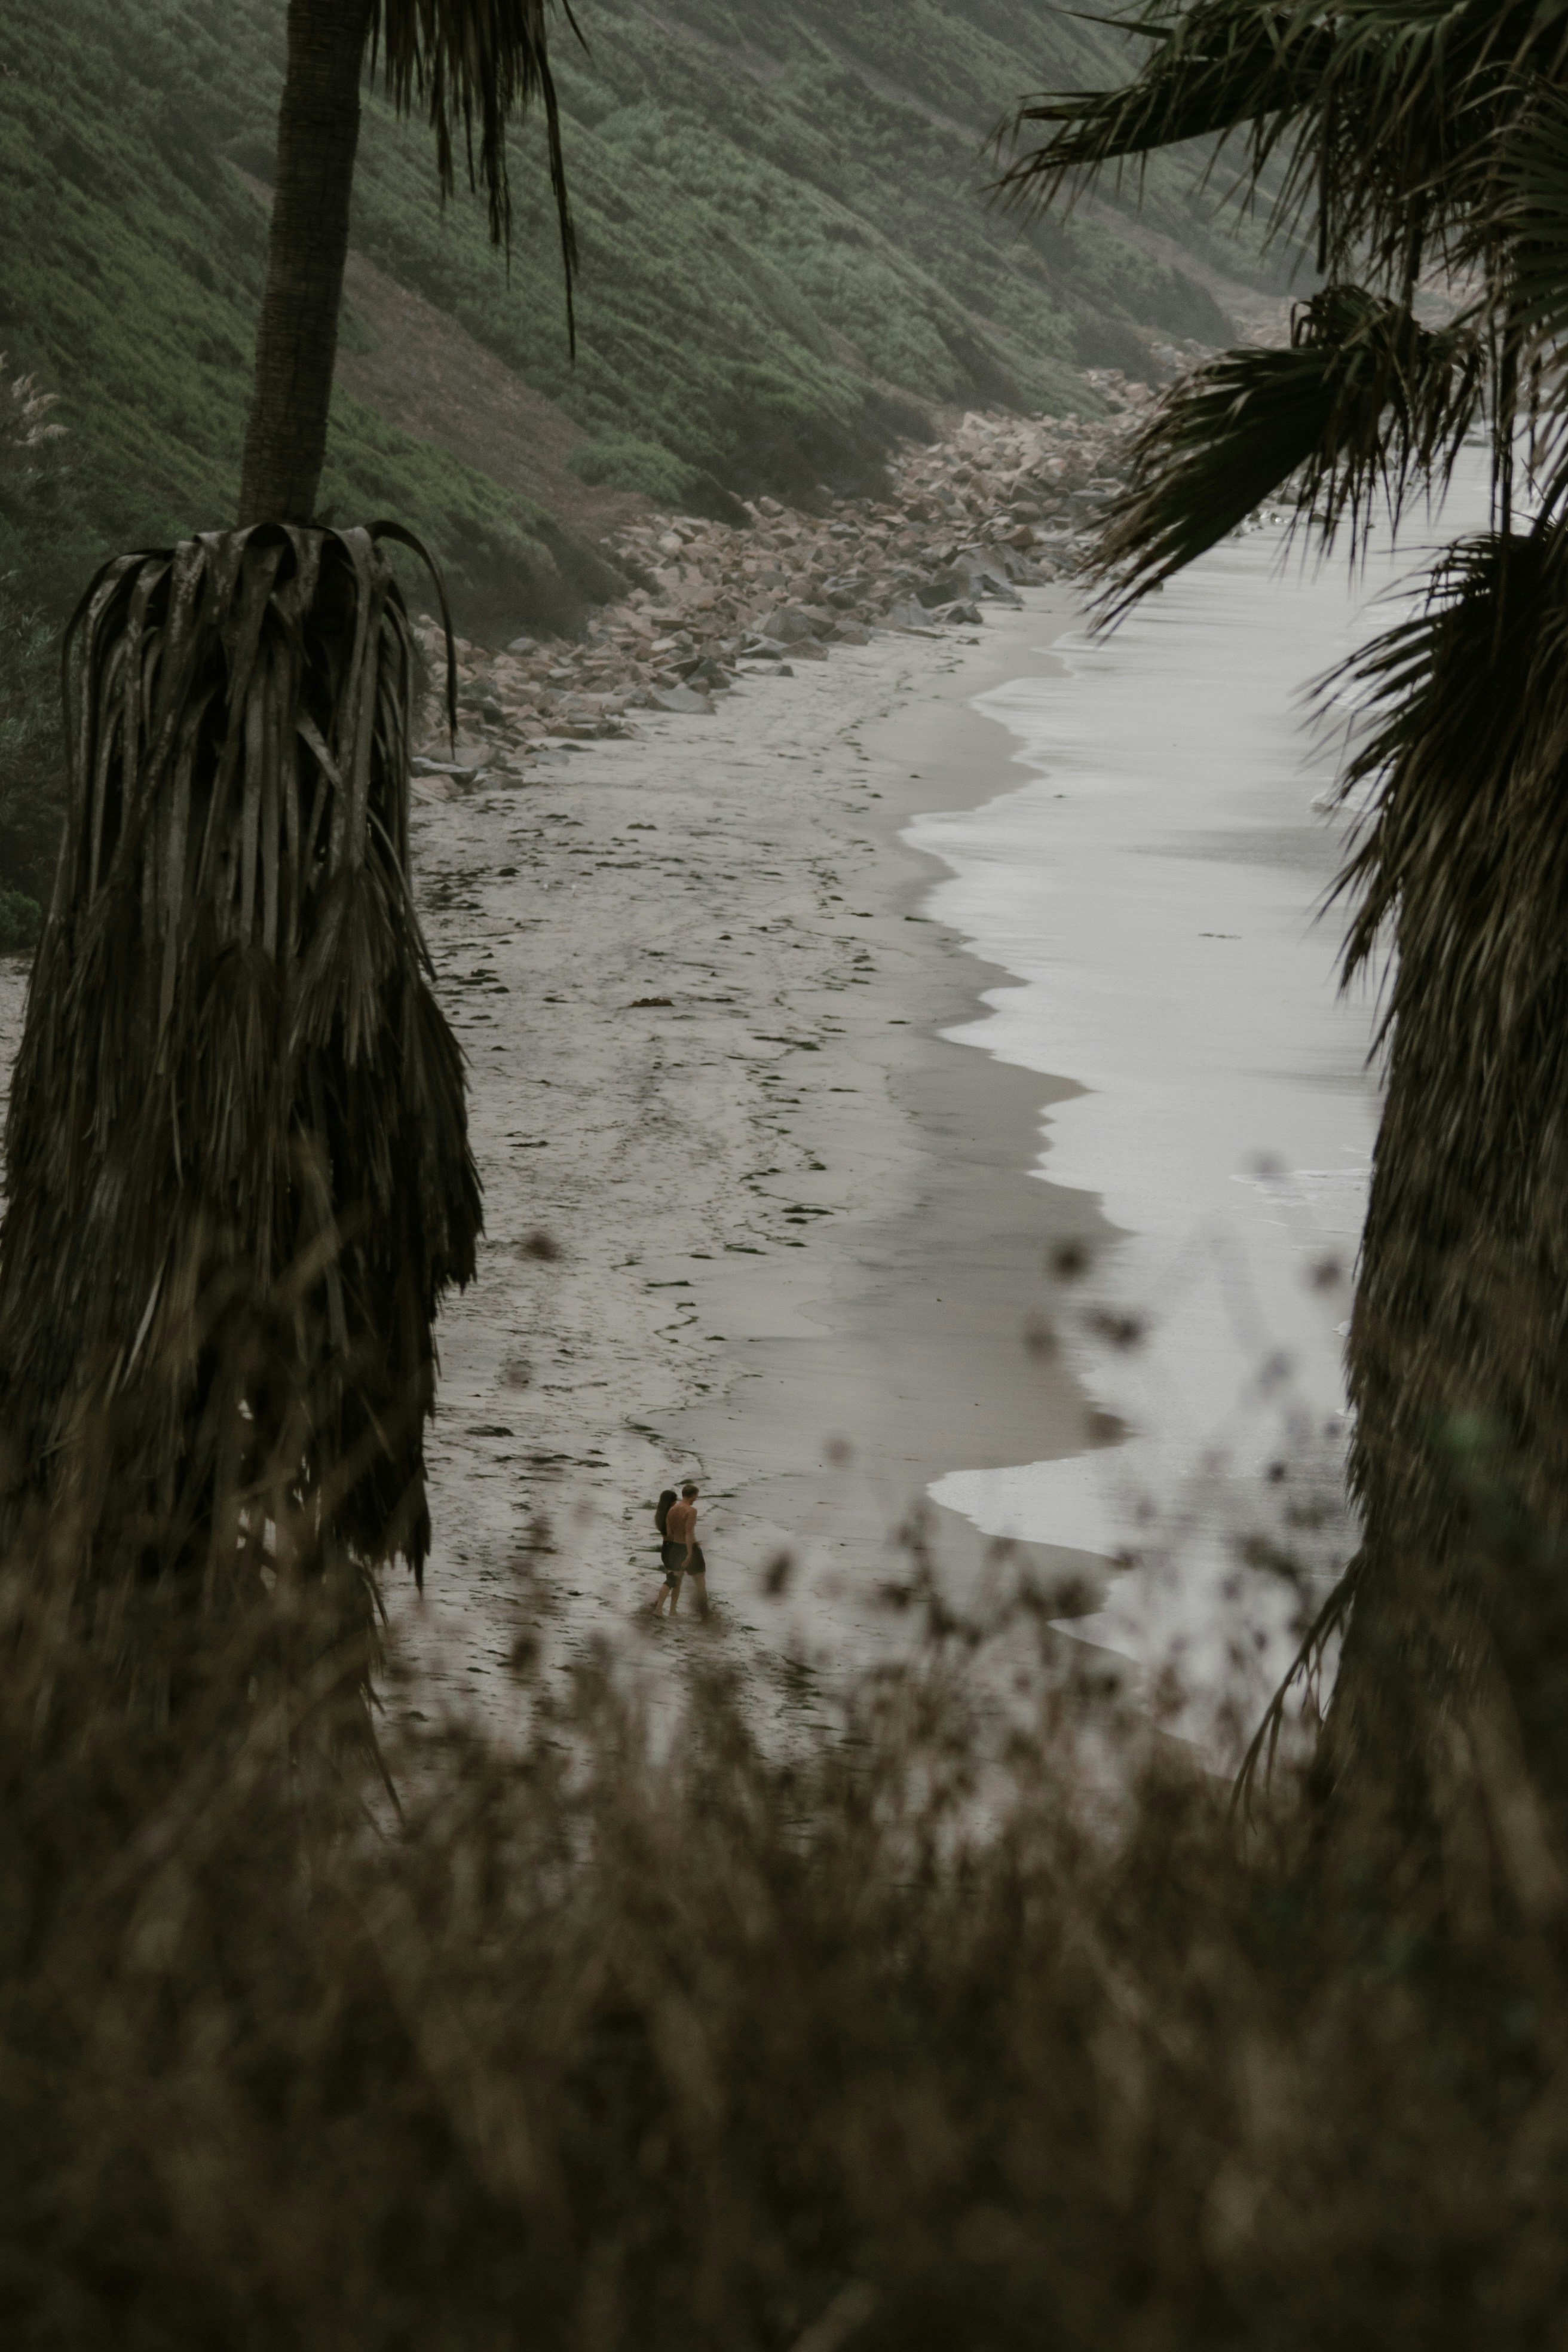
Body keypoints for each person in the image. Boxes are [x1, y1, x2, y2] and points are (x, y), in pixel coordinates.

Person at [651, 1481, 709, 1620]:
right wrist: (690, 1552)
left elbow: (670, 1532)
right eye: (696, 1496)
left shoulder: (671, 1510)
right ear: (692, 1495)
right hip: (686, 1548)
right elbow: (689, 1533)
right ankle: (705, 1615)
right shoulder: (691, 1511)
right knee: (700, 1581)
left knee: (673, 1579)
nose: (696, 1499)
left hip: (674, 1548)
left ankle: (662, 1609)